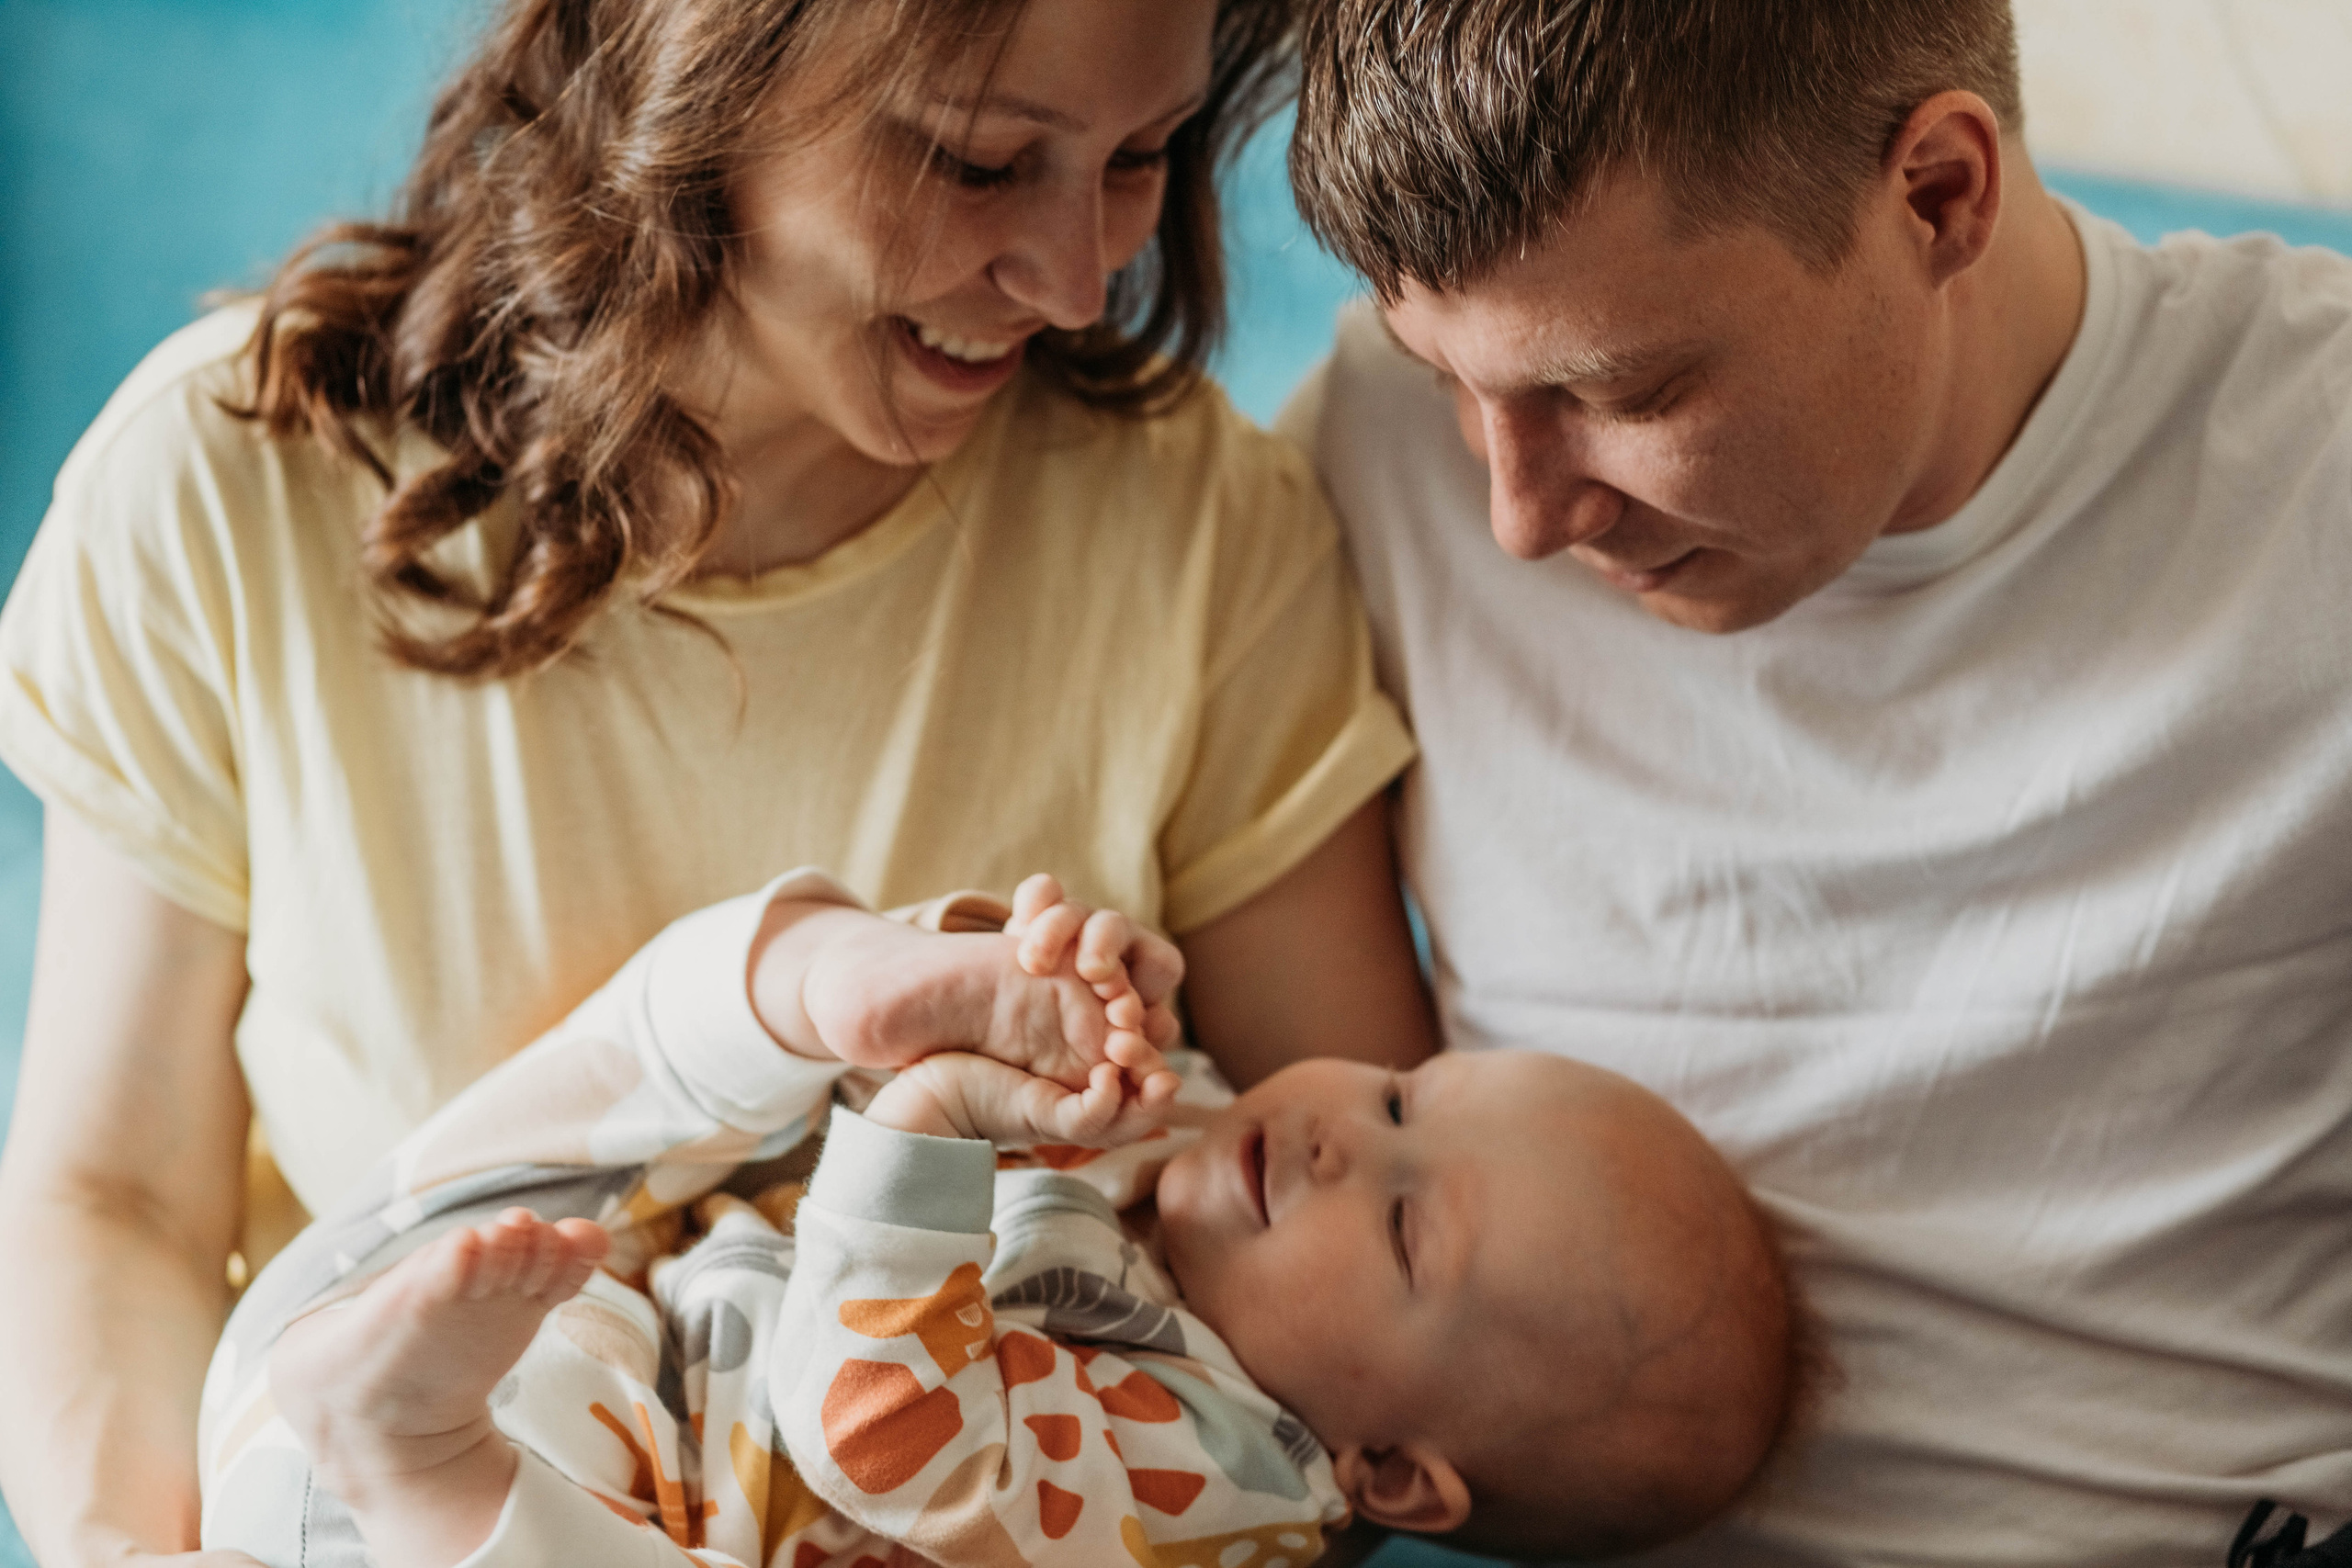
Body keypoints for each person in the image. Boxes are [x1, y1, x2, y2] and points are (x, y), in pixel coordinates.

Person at [0, 3, 1437, 1566]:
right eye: (977, 162)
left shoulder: (1204, 542)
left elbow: (1380, 1323)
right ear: (690, 70)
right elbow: (117, 1200)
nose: (1078, 280)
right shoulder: (228, 481)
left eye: (1140, 156)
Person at [1277, 1, 2352, 1564]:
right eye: (1438, 369)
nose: (1519, 517)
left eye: (1622, 393)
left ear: (1938, 196)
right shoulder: (1375, 461)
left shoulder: (2315, 474)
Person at [202, 874, 1796, 1568]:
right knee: (609, 1101)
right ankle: (835, 972)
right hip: (453, 1352)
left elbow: (880, 1432)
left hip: (569, 1519)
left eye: (1399, 1229)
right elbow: (1050, 1071)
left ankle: (417, 1465)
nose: (1329, 1138)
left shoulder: (1220, 1489)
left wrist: (930, 1120)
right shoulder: (1204, 1158)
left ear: (1385, 1473)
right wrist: (1043, 988)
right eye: (1400, 1096)